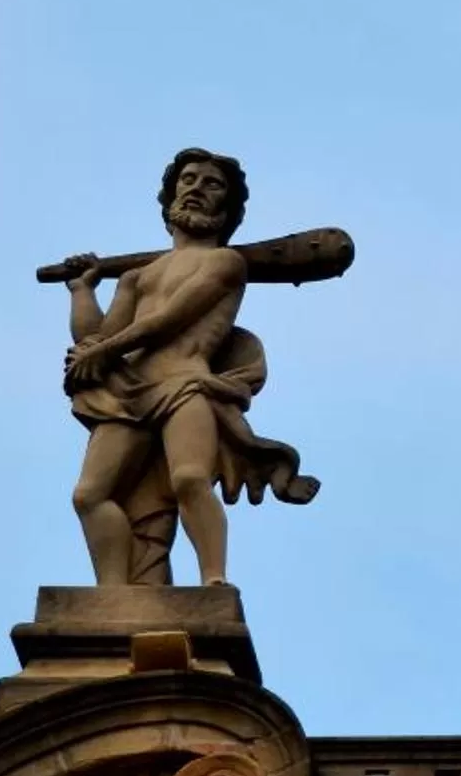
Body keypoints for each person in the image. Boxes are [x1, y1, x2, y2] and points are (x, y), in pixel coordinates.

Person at [58, 149, 317, 586]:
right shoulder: (135, 278)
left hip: (186, 384)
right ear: (170, 196)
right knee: (90, 495)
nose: (196, 188)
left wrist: (100, 353)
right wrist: (82, 291)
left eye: (211, 184)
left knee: (191, 479)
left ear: (227, 209)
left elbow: (167, 321)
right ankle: (115, 594)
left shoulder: (225, 264)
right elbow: (97, 339)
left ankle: (213, 580)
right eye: (188, 179)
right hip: (129, 391)